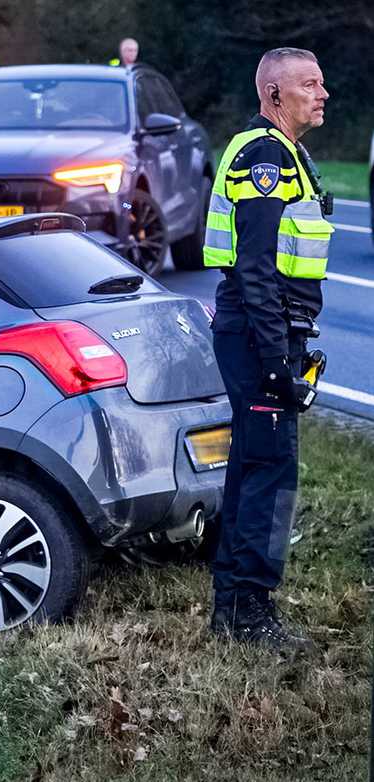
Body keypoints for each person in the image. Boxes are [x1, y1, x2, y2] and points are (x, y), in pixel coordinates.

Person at [202, 47, 332, 653]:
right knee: (268, 474)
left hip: (264, 333)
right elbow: (254, 269)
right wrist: (277, 361)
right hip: (260, 336)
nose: (323, 94)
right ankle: (250, 615)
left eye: (323, 83)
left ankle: (232, 607)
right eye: (311, 84)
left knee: (254, 466)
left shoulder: (285, 153)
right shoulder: (263, 157)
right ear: (275, 95)